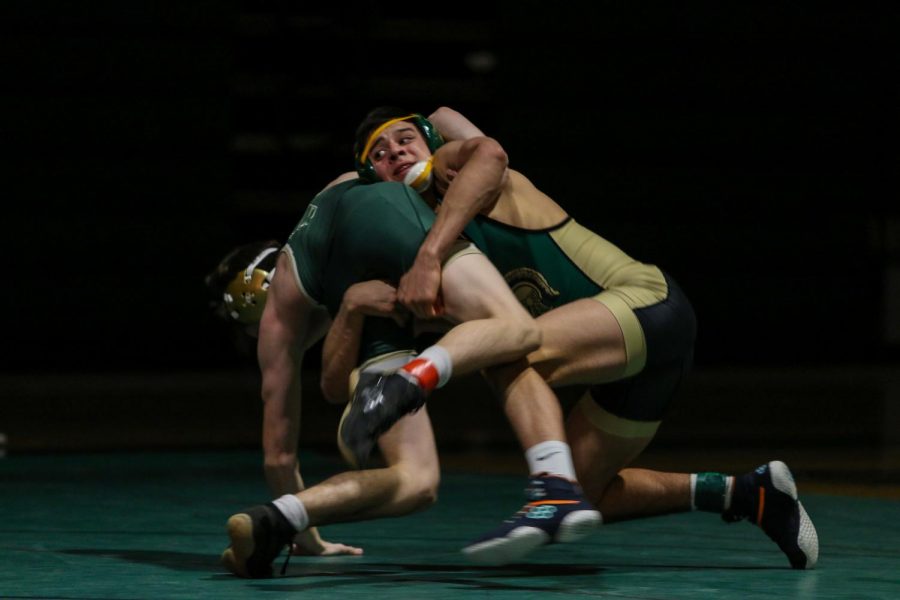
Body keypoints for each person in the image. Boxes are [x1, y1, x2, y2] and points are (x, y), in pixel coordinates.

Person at [219, 107, 817, 576]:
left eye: (405, 139)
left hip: (646, 306)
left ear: (433, 146)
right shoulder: (420, 237)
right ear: (370, 179)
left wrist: (428, 250)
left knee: (498, 348)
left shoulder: (469, 180)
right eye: (378, 154)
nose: (394, 153)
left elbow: (484, 150)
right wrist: (358, 301)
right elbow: (328, 384)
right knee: (590, 495)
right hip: (633, 362)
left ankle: (460, 422)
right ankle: (750, 494)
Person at [217, 157, 600, 577]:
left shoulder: (282, 314)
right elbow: (330, 389)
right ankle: (279, 519)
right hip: (386, 235)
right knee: (419, 479)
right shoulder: (331, 244)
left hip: (384, 227)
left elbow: (279, 456)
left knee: (513, 334)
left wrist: (432, 248)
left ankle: (407, 391)